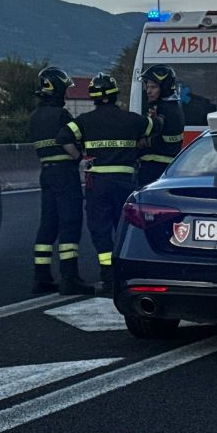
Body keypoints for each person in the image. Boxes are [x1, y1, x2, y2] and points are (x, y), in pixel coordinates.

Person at [57, 72, 152, 295]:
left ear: (94, 97)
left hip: (98, 183)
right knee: (125, 227)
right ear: (115, 94)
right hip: (126, 183)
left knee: (100, 229)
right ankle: (124, 273)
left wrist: (80, 157)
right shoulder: (132, 119)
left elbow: (63, 138)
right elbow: (150, 128)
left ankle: (108, 278)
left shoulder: (84, 121)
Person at [28, 67, 94, 296]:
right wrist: (79, 157)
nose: (66, 94)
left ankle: (41, 276)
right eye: (64, 89)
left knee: (48, 224)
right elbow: (73, 139)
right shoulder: (61, 116)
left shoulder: (35, 117)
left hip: (46, 173)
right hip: (65, 173)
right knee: (70, 223)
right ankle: (69, 277)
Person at [137, 64, 185, 188]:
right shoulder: (170, 105)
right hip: (164, 167)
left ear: (164, 87)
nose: (148, 91)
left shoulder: (166, 109)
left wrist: (143, 141)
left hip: (155, 169)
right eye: (147, 86)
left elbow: (158, 135)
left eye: (153, 87)